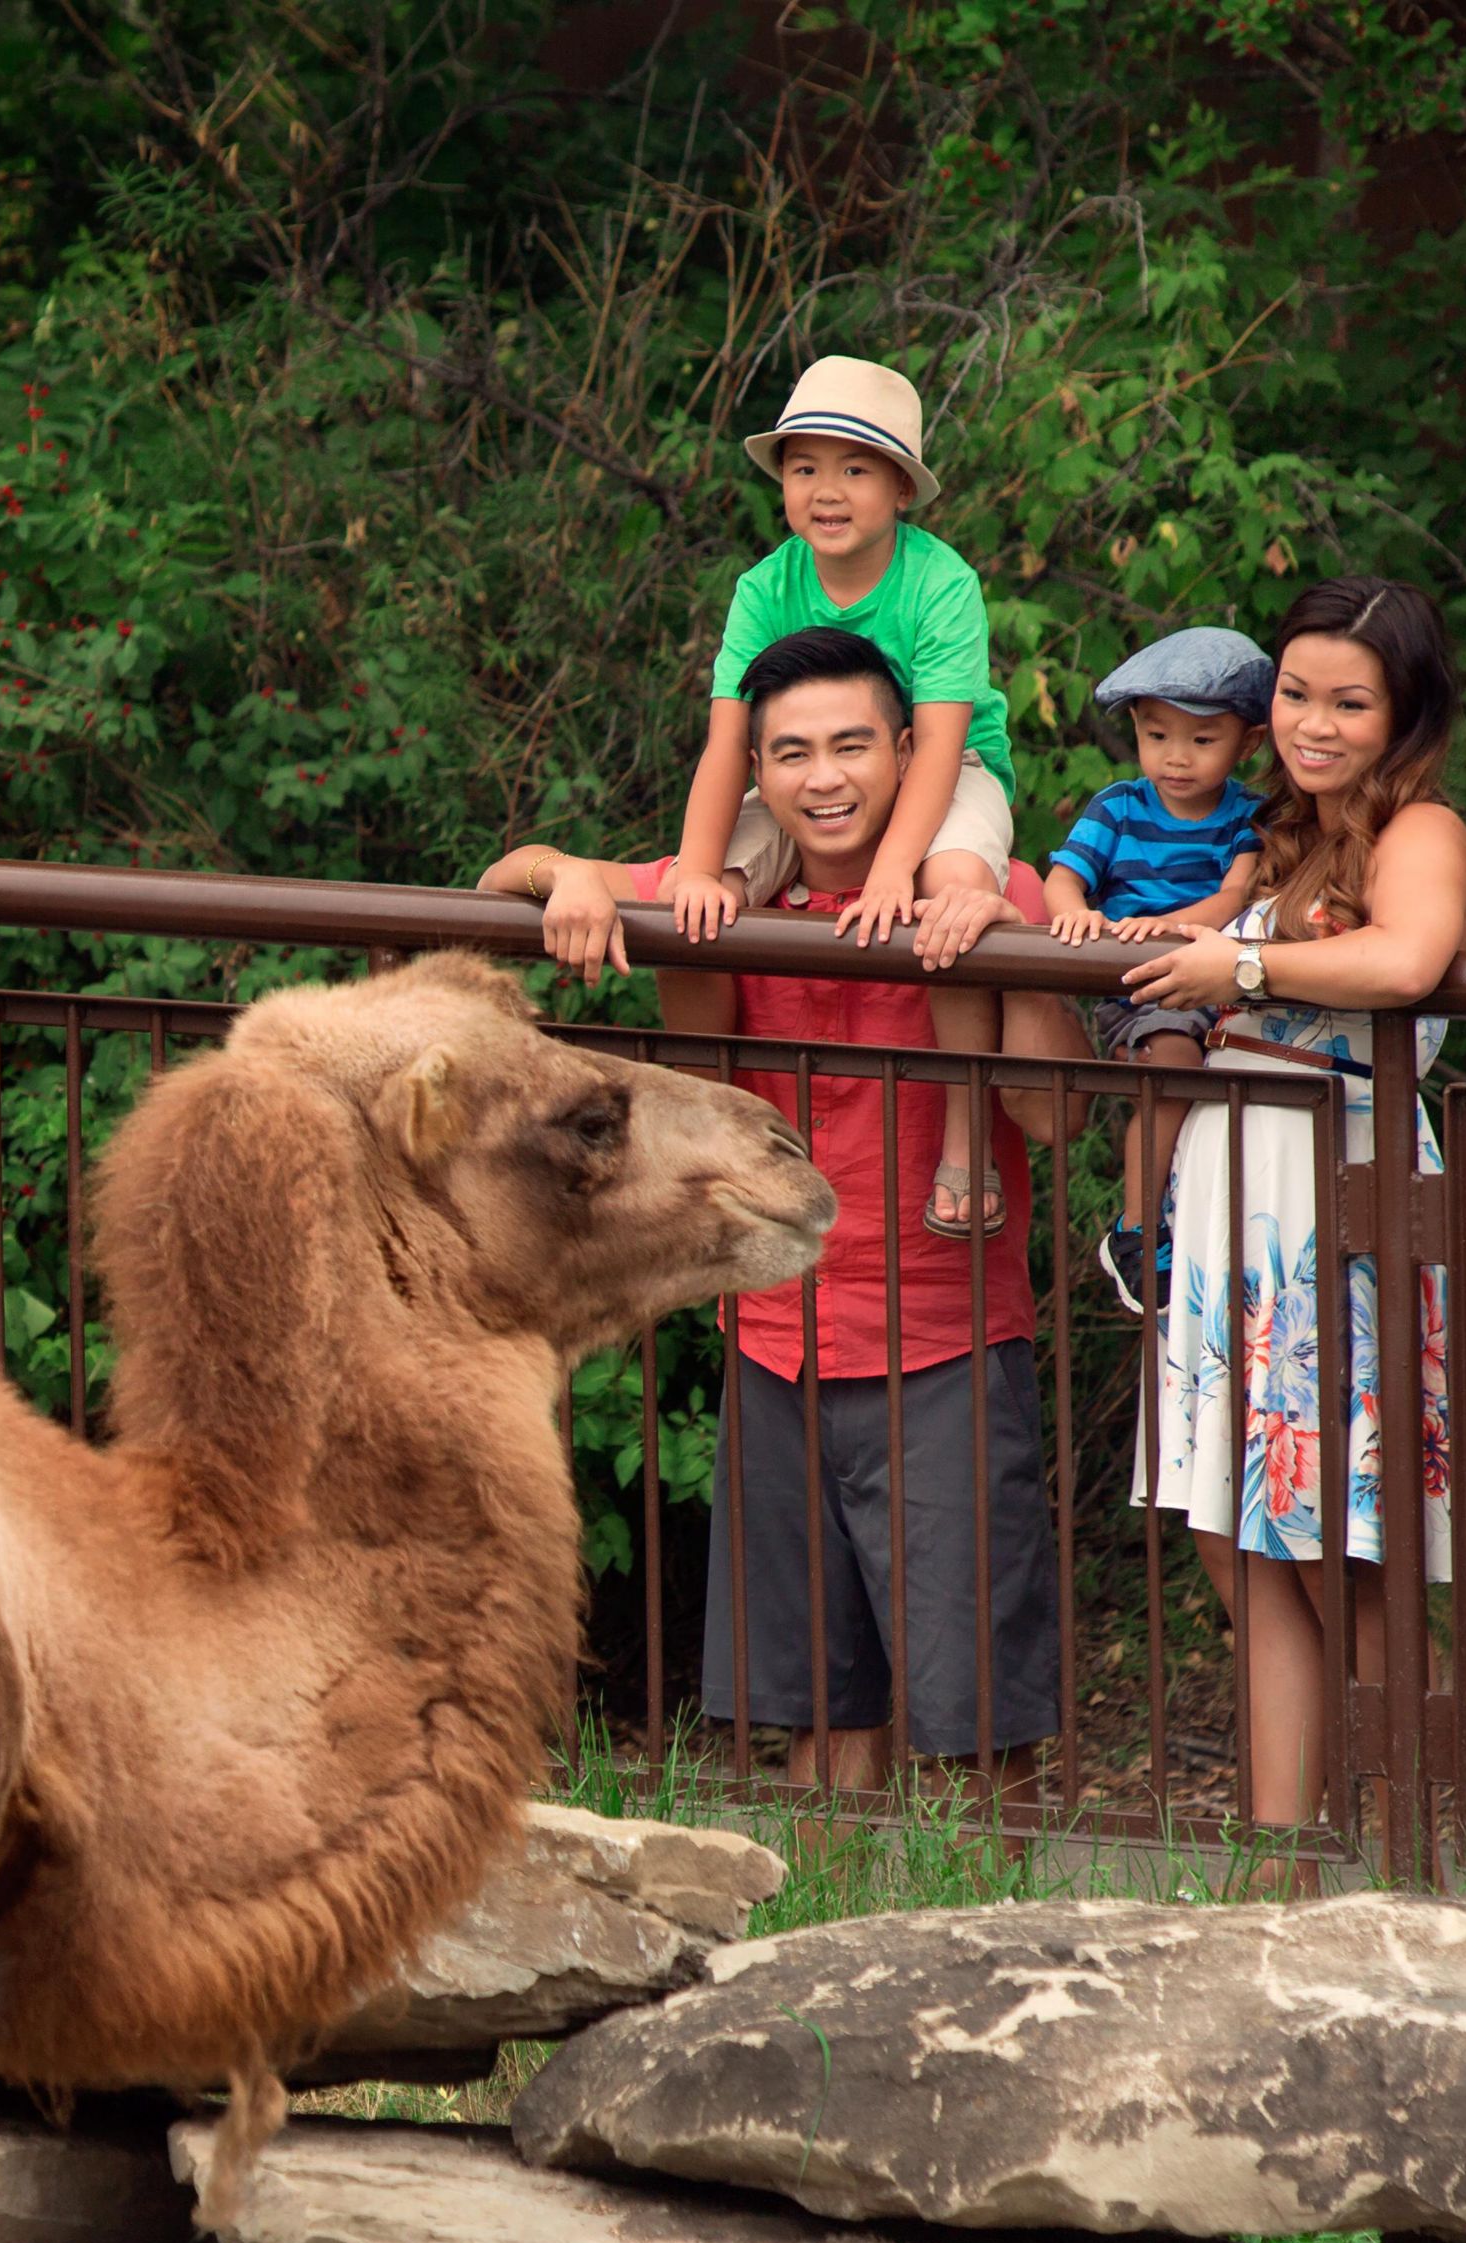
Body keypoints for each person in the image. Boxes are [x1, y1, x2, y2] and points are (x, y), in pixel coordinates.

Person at [479, 625, 1063, 1791]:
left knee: (979, 1731)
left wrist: (1012, 950)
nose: (824, 776)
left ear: (909, 754)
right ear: (753, 775)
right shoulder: (728, 891)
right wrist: (581, 880)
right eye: (790, 752)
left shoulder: (985, 889)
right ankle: (818, 1947)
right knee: (812, 1715)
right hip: (777, 1341)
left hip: (941, 1339)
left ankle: (1006, 1947)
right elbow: (510, 874)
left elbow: (1055, 1119)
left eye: (852, 745)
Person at [1115, 575, 1466, 1834]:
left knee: (1356, 1542)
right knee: (1239, 1535)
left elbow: (1402, 959)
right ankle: (1276, 1864)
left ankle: (1405, 1854)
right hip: (1236, 1188)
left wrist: (1235, 963)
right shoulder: (1273, 833)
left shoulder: (1420, 831)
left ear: (1404, 715)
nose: (1313, 723)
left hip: (1343, 1192)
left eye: (1349, 701)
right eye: (1294, 693)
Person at [635, 355, 1070, 1240]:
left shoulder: (939, 582)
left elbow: (941, 745)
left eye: (855, 468)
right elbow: (730, 743)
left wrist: (896, 871)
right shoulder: (766, 586)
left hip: (947, 775)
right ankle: (715, 1155)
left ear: (902, 488)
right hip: (809, 781)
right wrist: (696, 865)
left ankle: (962, 1131)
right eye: (805, 468)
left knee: (951, 896)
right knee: (708, 897)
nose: (826, 491)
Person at [1041, 626, 1272, 1314]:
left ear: (1247, 743)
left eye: (1201, 741)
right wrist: (1074, 913)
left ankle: (1210, 1226)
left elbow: (1234, 896)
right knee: (1171, 1059)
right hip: (1148, 985)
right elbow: (1062, 880)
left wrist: (1176, 924)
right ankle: (1138, 1229)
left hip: (1220, 980)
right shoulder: (1117, 806)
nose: (1175, 759)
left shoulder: (1247, 814)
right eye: (1156, 736)